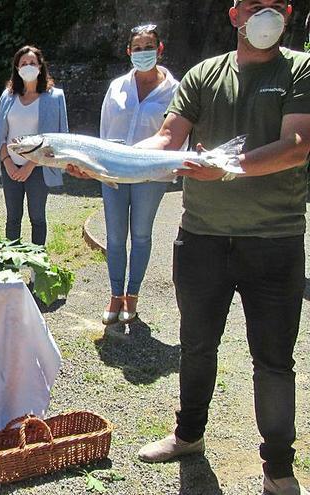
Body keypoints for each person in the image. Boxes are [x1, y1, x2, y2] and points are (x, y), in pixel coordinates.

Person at [116, 2, 309, 493]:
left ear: (286, 12)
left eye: (274, 5)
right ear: (234, 14)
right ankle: (188, 436)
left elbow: (297, 145)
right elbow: (167, 138)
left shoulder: (301, 67)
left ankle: (279, 469)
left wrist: (226, 166)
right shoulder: (204, 74)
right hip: (201, 239)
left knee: (273, 360)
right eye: (252, 5)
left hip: (274, 241)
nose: (264, 13)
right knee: (198, 347)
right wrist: (105, 163)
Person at [97, 24, 182, 325]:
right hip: (115, 172)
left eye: (149, 46)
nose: (143, 52)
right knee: (116, 236)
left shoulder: (175, 89)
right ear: (128, 51)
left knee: (142, 235)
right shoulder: (117, 87)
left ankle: (132, 295)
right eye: (138, 47)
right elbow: (105, 131)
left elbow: (177, 133)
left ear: (159, 50)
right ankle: (115, 294)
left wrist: (170, 168)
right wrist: (98, 165)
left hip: (151, 174)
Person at [0, 45, 68, 245]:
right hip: (10, 167)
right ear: (17, 68)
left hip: (37, 168)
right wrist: (7, 162)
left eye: (32, 63)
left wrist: (31, 165)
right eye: (23, 63)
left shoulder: (55, 97)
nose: (28, 66)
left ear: (40, 66)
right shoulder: (7, 96)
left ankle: (36, 271)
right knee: (13, 218)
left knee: (37, 218)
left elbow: (57, 137)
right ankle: (11, 266)